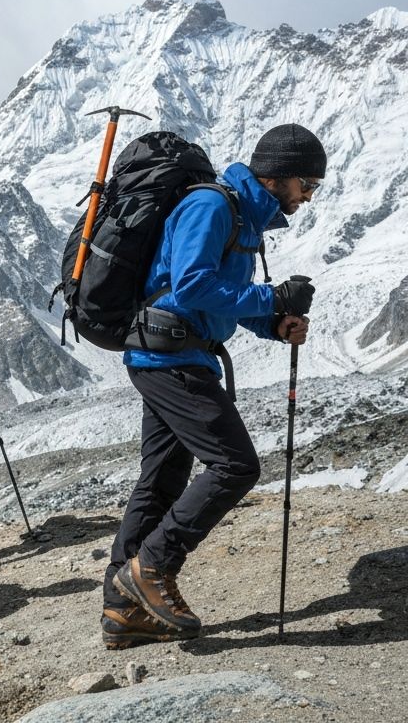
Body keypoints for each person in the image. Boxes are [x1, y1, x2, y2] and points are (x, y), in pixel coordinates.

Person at [101, 123, 326, 649]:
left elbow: (217, 296)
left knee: (160, 482)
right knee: (235, 465)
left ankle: (122, 611)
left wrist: (271, 323)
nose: (309, 196)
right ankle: (151, 567)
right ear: (279, 175)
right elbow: (192, 283)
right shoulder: (213, 206)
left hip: (176, 352)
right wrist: (270, 299)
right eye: (307, 184)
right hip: (170, 356)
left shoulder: (243, 217)